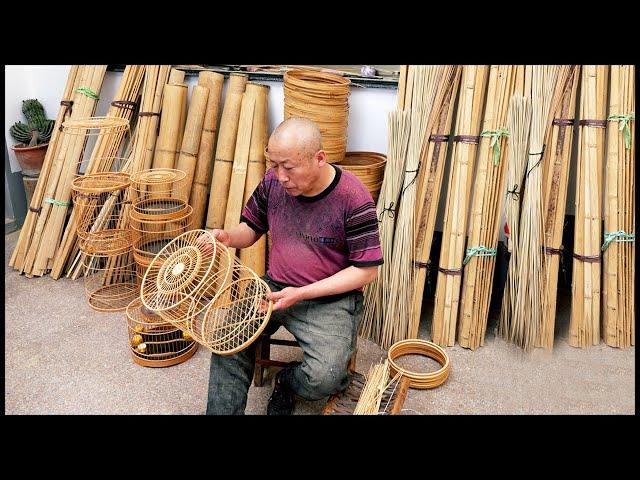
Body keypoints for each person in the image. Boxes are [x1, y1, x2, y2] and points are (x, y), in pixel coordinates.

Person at [200, 117, 383, 415]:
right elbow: (252, 227)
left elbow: (366, 271)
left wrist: (300, 293)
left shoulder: (353, 197)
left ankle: (287, 382)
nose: (280, 176)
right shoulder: (273, 182)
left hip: (329, 300)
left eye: (289, 166)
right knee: (227, 339)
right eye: (274, 164)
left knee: (327, 377)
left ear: (319, 158)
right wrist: (227, 237)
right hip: (273, 288)